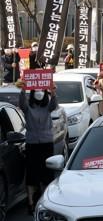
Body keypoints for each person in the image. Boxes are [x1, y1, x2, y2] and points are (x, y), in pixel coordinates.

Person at [16, 80, 58, 214]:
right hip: (32, 143)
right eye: (37, 90)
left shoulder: (48, 106)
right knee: (32, 173)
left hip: (46, 143)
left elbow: (54, 104)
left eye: (42, 90)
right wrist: (22, 90)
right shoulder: (28, 106)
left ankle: (46, 202)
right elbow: (22, 104)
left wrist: (54, 91)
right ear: (33, 93)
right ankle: (30, 202)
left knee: (47, 172)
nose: (39, 93)